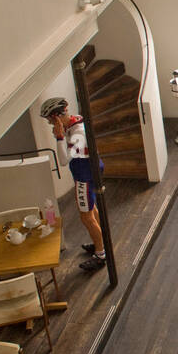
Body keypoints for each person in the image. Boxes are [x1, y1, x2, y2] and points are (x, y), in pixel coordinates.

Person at [40, 96, 106, 273]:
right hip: (88, 170)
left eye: (50, 120)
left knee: (86, 216)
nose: (50, 124)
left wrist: (59, 137)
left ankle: (100, 254)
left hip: (84, 174)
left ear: (57, 116)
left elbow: (62, 160)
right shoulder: (75, 121)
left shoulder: (77, 134)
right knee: (91, 210)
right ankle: (102, 242)